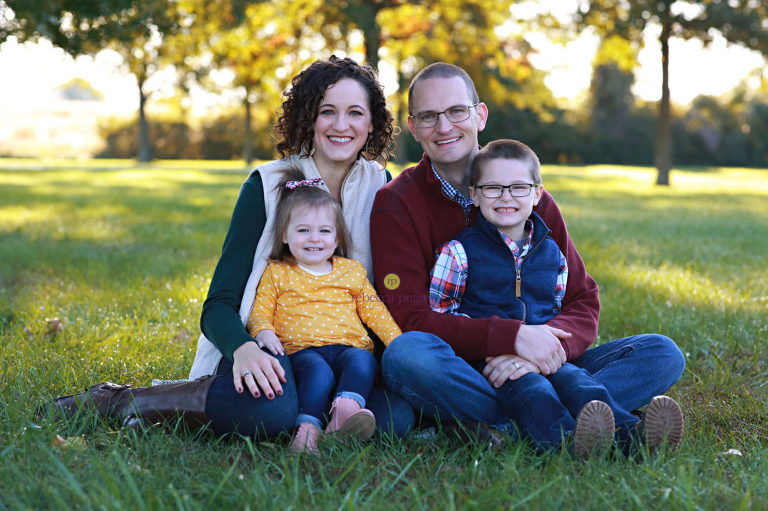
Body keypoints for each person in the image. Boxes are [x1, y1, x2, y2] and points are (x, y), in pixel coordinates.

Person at [48, 56, 419, 440]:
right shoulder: (267, 186)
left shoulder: (380, 186)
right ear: (309, 118)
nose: (341, 125)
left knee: (396, 417)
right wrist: (243, 348)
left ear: (371, 123)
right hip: (273, 345)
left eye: (355, 112)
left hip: (344, 354)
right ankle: (123, 400)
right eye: (327, 111)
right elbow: (219, 304)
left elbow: (382, 295)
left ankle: (319, 414)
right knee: (272, 408)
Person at [372, 62, 685, 451]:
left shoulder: (529, 197)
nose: (444, 126)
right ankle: (572, 420)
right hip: (464, 368)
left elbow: (582, 298)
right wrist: (512, 338)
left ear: (480, 115)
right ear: (413, 126)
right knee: (407, 355)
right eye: (428, 116)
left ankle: (508, 426)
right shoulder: (395, 204)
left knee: (661, 353)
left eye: (456, 111)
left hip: (546, 363)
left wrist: (539, 355)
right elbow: (410, 318)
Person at [429, 139, 655, 456]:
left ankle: (630, 434)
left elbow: (562, 308)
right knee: (534, 390)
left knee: (580, 383)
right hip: (490, 364)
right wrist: (501, 345)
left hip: (544, 356)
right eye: (492, 188)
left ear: (537, 194)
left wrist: (537, 352)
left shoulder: (552, 253)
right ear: (474, 195)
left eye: (519, 188)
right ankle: (568, 444)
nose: (506, 197)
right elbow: (441, 315)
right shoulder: (458, 253)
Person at [246, 169, 403, 453]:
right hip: (302, 350)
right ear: (284, 235)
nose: (314, 239)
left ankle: (345, 411)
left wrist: (396, 341)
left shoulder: (351, 271)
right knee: (318, 373)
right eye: (303, 230)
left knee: (363, 362)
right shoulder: (278, 271)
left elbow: (374, 310)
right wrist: (263, 330)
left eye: (325, 231)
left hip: (349, 346)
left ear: (337, 237)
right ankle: (307, 432)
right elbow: (261, 308)